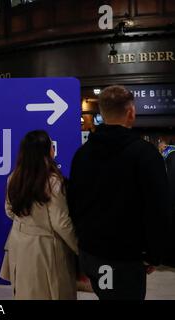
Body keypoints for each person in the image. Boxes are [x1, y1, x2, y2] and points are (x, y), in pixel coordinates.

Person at [68, 85, 172, 300]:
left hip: (92, 253)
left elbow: (73, 202)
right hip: (127, 256)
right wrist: (154, 253)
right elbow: (158, 208)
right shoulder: (145, 154)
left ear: (102, 114)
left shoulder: (82, 155)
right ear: (131, 112)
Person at [0, 130, 78, 300]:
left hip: (19, 245)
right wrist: (79, 248)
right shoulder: (53, 182)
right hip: (45, 250)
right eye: (51, 145)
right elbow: (61, 223)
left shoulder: (13, 177)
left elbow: (9, 210)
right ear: (45, 151)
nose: (53, 149)